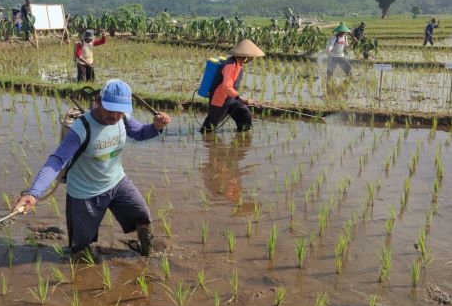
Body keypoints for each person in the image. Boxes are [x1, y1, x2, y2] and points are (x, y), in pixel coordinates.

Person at [13, 79, 171, 256]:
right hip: (85, 193)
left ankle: (146, 257)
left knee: (142, 215)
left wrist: (156, 127)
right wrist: (33, 193)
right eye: (110, 110)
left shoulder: (123, 118)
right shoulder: (82, 128)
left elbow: (140, 132)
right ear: (98, 102)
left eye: (120, 111)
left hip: (117, 183)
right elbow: (57, 160)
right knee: (80, 248)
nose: (115, 116)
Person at [200, 39, 264, 133]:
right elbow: (227, 86)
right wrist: (242, 99)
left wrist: (238, 99)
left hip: (231, 99)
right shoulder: (230, 65)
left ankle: (243, 141)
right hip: (220, 100)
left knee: (244, 115)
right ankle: (207, 143)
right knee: (208, 128)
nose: (251, 59)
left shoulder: (239, 64)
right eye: (250, 56)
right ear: (244, 56)